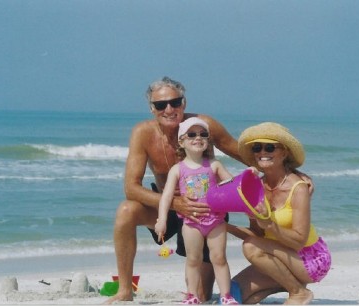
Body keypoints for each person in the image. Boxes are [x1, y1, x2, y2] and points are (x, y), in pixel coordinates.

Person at [105, 77, 243, 304]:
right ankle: (124, 290)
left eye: (174, 102)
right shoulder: (143, 133)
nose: (169, 109)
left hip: (203, 211)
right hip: (166, 207)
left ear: (184, 103)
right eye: (160, 105)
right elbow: (131, 187)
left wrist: (292, 174)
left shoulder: (202, 126)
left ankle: (231, 288)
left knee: (203, 296)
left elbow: (244, 154)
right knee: (125, 210)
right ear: (152, 109)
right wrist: (174, 204)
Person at [227, 122, 331, 305]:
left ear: (284, 153)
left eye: (269, 147)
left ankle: (298, 291)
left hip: (309, 259)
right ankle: (286, 283)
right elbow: (258, 235)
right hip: (278, 255)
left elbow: (299, 240)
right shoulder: (255, 187)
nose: (262, 152)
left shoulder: (298, 188)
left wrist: (270, 225)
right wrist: (224, 226)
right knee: (233, 293)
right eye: (257, 148)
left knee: (250, 247)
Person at [155, 117, 238, 305]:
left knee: (219, 258)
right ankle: (192, 295)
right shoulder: (178, 169)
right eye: (191, 134)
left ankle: (226, 295)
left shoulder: (214, 165)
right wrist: (161, 220)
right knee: (194, 259)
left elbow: (232, 186)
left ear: (208, 140)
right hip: (191, 222)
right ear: (181, 141)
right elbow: (167, 196)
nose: (198, 138)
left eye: (203, 134)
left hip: (216, 220)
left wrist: (249, 177)